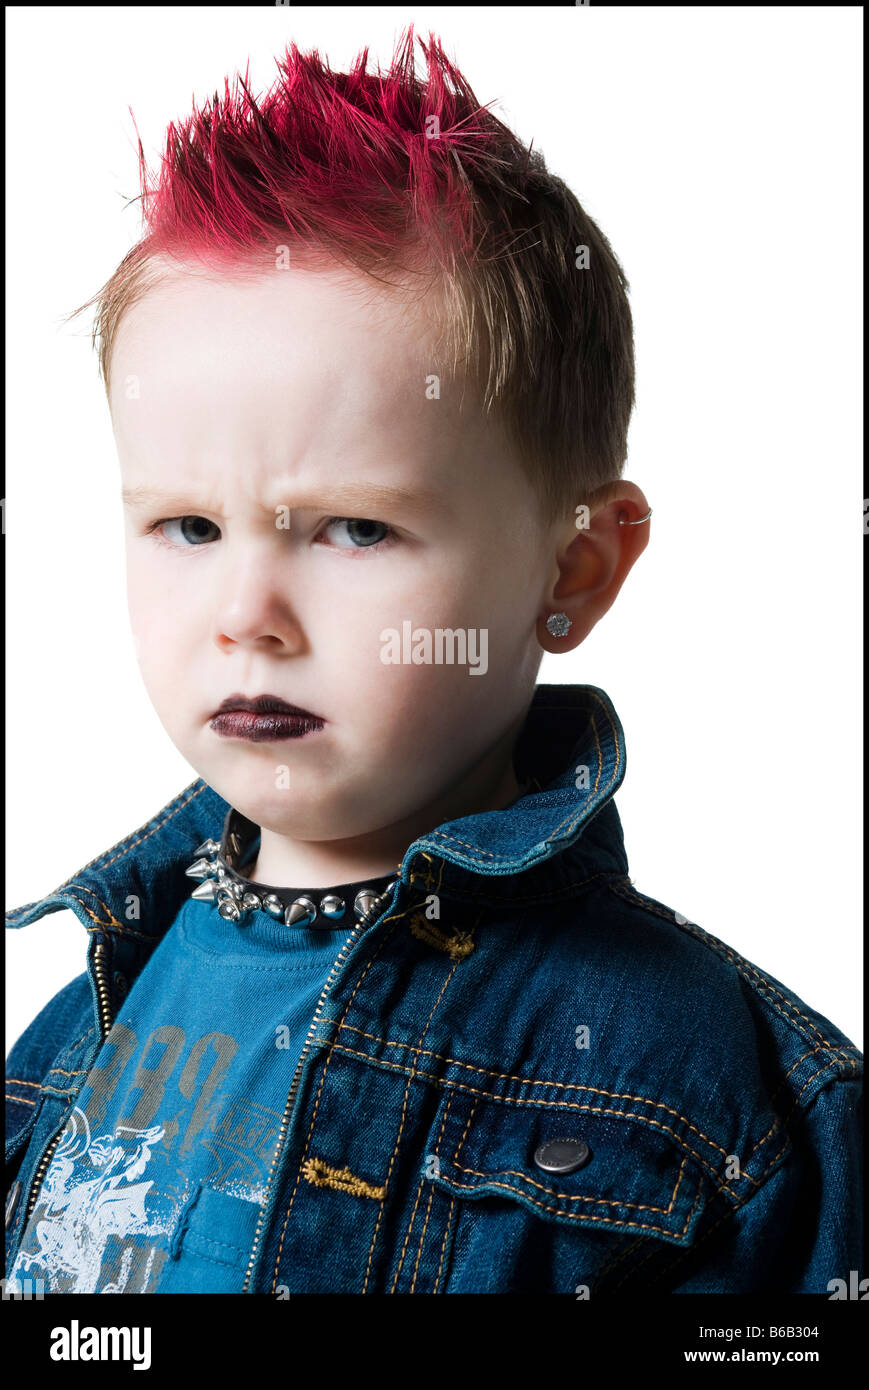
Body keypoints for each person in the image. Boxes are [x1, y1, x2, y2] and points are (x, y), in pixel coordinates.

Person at [5, 26, 861, 1295]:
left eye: (356, 527)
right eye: (187, 524)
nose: (248, 614)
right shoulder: (71, 1033)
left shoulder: (724, 1106)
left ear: (572, 568)